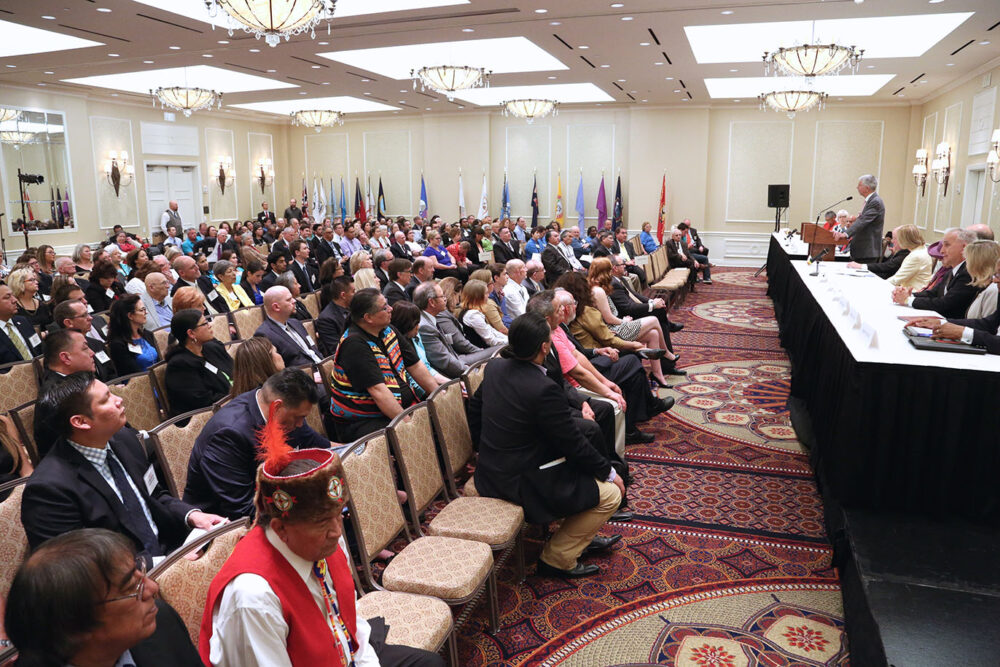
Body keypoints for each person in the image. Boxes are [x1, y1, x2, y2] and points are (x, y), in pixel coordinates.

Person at [201, 437, 444, 667]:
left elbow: (348, 622)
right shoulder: (253, 597)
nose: (337, 532)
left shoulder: (324, 537)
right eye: (322, 522)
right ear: (280, 529)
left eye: (339, 515)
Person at [469, 313, 623, 578]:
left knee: (581, 467)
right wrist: (610, 472)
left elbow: (474, 409)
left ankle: (575, 536)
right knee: (610, 494)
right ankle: (557, 558)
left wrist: (482, 449)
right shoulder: (542, 387)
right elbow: (572, 441)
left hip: (491, 470)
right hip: (521, 481)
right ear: (544, 347)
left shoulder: (494, 368)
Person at [22, 372, 225, 559]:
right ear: (81, 422)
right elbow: (77, 565)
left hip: (172, 549)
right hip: (125, 578)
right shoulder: (49, 489)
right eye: (106, 400)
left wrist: (192, 516)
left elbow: (154, 496)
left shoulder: (124, 439)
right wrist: (163, 564)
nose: (119, 400)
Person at [4, 528, 203, 667]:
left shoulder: (162, 623)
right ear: (77, 625)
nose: (152, 588)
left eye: (139, 572)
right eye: (132, 587)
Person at [184, 368, 335, 520]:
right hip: (226, 524)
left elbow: (322, 448)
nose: (300, 424)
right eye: (298, 417)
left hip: (278, 500)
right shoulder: (228, 436)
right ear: (277, 407)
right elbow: (243, 509)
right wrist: (312, 507)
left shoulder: (284, 414)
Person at [328, 288, 439, 442]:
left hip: (398, 407)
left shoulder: (388, 330)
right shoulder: (354, 344)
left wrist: (440, 399)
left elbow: (415, 365)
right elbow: (378, 392)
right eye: (385, 307)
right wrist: (409, 426)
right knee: (428, 434)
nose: (391, 309)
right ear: (368, 318)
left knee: (441, 418)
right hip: (364, 420)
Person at [556, 272, 671, 386]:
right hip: (597, 354)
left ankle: (658, 373)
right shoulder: (585, 310)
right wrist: (634, 345)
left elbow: (600, 332)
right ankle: (661, 357)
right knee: (633, 357)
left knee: (652, 333)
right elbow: (608, 338)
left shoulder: (570, 314)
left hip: (598, 346)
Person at [589, 258, 681, 372]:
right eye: (609, 270)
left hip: (617, 322)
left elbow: (634, 295)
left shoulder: (608, 283)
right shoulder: (600, 290)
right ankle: (666, 353)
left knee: (654, 331)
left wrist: (651, 303)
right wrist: (624, 321)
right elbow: (610, 318)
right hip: (615, 328)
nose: (624, 266)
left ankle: (658, 375)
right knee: (654, 318)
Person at [413, 281, 497, 378]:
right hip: (455, 365)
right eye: (442, 296)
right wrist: (476, 373)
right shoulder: (425, 327)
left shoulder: (430, 317)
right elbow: (446, 362)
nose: (445, 299)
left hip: (457, 358)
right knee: (500, 351)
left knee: (500, 350)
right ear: (431, 302)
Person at [892, 228, 980, 318]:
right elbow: (932, 293)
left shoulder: (969, 273)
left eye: (947, 245)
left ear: (964, 248)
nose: (941, 251)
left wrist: (908, 300)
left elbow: (945, 304)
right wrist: (908, 294)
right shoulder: (951, 271)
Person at [164, 309, 233, 416]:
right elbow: (201, 401)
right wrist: (235, 396)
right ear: (191, 333)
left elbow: (237, 371)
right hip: (209, 416)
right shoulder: (179, 365)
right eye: (204, 323)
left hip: (233, 402)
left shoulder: (212, 348)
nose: (210, 325)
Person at [256, 285, 322, 367]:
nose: (294, 301)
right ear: (276, 307)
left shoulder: (296, 323)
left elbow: (313, 349)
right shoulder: (264, 334)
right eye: (288, 299)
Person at [52, 298, 117, 381]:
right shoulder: (61, 354)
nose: (90, 318)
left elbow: (111, 373)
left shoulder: (97, 344)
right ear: (69, 323)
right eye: (84, 315)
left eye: (88, 313)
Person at [834, 174, 885, 263]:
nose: (857, 187)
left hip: (867, 251)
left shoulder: (875, 202)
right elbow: (864, 219)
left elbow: (863, 221)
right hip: (863, 250)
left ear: (867, 188)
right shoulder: (870, 201)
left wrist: (845, 234)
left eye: (859, 185)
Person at [106, 294, 160, 375]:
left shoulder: (147, 334)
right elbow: (132, 373)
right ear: (130, 316)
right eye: (142, 310)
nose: (146, 312)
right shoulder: (118, 345)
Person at [0, 283, 45, 363]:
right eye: (7, 297)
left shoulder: (23, 321)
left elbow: (38, 348)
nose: (15, 300)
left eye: (13, 295)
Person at [457, 279, 508, 347]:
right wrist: (512, 341)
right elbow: (491, 340)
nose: (488, 295)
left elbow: (492, 332)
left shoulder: (471, 311)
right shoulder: (473, 316)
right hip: (483, 350)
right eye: (486, 293)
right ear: (478, 296)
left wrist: (509, 339)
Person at [315, 276, 354, 357]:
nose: (355, 294)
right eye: (353, 291)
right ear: (343, 295)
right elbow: (336, 349)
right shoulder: (326, 319)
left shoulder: (353, 307)